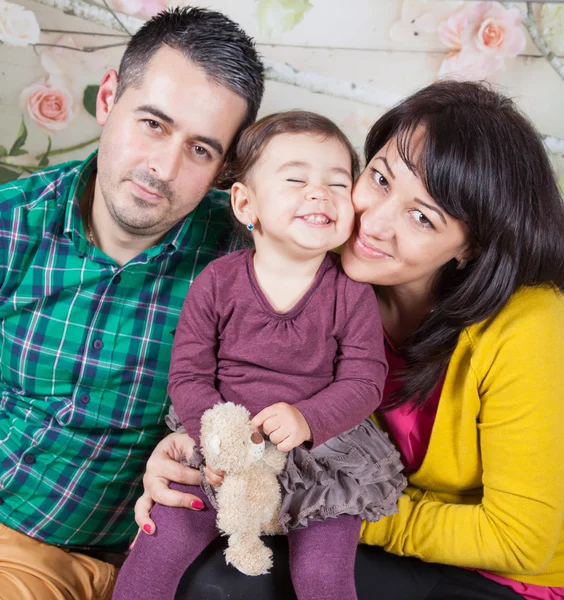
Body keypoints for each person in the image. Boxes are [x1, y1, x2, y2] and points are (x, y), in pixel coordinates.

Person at [136, 80, 564, 600]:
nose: (375, 224)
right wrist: (194, 460)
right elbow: (234, 384)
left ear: (471, 246)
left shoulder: (531, 325)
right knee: (207, 567)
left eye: (422, 217)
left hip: (499, 578)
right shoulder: (316, 272)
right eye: (380, 179)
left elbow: (519, 541)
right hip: (361, 527)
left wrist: (305, 502)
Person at [0, 7, 264, 600]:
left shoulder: (245, 261)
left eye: (200, 150)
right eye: (152, 123)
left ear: (225, 169)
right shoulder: (12, 223)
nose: (162, 168)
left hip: (145, 557)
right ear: (109, 98)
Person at [112, 111, 406, 600]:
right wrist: (216, 439)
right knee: (156, 552)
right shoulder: (218, 282)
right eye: (296, 179)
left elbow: (364, 381)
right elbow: (188, 373)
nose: (320, 193)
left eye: (338, 183)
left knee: (322, 578)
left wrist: (308, 418)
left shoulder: (351, 292)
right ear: (246, 203)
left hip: (319, 457)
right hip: (223, 449)